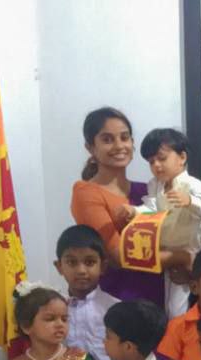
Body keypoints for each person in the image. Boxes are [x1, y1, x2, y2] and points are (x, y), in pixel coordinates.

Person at [71, 107, 179, 306]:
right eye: (107, 139)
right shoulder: (86, 192)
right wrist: (182, 258)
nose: (119, 145)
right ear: (91, 148)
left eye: (124, 137)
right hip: (117, 302)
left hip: (158, 296)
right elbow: (119, 256)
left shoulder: (147, 190)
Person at [121, 128, 201, 319]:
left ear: (182, 157)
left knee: (177, 309)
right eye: (151, 162)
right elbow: (151, 208)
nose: (157, 165)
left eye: (162, 158)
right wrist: (134, 211)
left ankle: (179, 339)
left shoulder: (191, 185)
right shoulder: (155, 185)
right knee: (163, 304)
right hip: (163, 254)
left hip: (187, 255)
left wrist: (191, 201)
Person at [54, 225, 120, 360]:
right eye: (71, 262)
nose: (81, 270)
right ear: (59, 267)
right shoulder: (51, 311)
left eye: (89, 262)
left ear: (103, 266)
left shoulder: (117, 309)